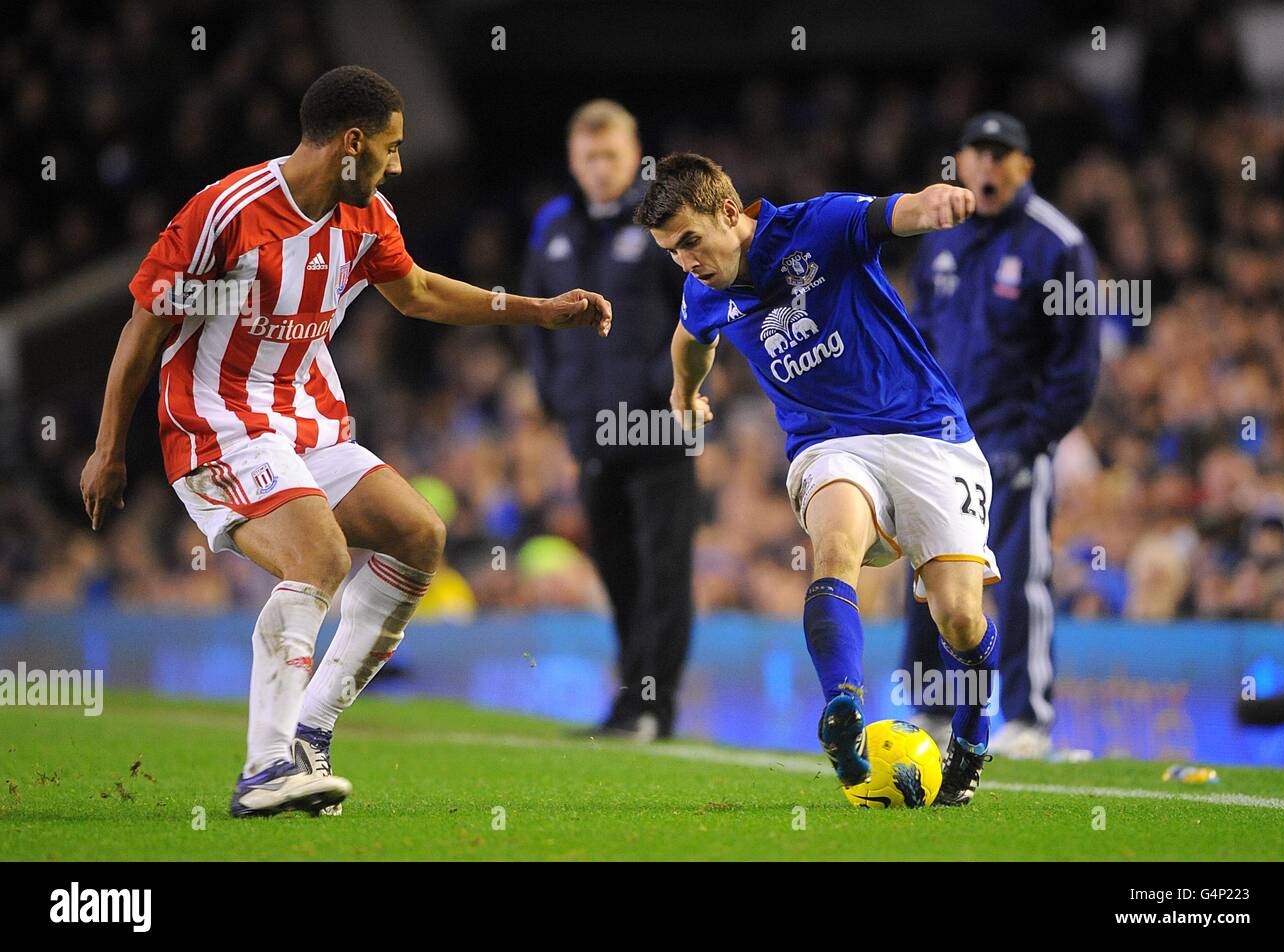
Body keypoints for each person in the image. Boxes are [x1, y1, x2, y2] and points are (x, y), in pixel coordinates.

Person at [79, 66, 611, 818]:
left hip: (306, 421)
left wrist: (535, 311)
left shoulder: (367, 217)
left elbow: (418, 292)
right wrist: (108, 448)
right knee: (319, 556)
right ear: (352, 143)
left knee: (418, 534)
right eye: (392, 148)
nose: (399, 164)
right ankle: (264, 769)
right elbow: (146, 326)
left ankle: (308, 733)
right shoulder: (228, 213)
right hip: (217, 422)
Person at [635, 153, 1000, 806]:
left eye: (690, 241)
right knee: (834, 547)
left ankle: (971, 739)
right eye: (670, 251)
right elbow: (690, 339)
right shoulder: (703, 291)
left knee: (960, 618)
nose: (685, 261)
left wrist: (933, 204)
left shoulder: (819, 225)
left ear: (728, 212)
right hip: (828, 444)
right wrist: (683, 393)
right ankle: (844, 707)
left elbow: (894, 212)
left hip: (926, 430)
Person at [902, 112, 1099, 758]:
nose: (987, 164)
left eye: (1001, 154)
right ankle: (930, 709)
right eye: (977, 153)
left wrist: (1035, 440)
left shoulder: (1058, 244)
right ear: (959, 164)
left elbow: (1078, 366)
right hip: (941, 443)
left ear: (1025, 168)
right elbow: (920, 340)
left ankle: (1027, 716)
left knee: (1017, 577)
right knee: (930, 577)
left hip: (1013, 444)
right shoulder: (941, 241)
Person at [523, 100, 695, 740]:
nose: (600, 167)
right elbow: (537, 318)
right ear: (574, 158)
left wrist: (669, 386)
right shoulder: (554, 226)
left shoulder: (665, 221)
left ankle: (657, 708)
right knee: (618, 572)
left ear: (635, 155)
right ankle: (630, 704)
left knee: (662, 572)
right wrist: (554, 398)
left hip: (659, 427)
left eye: (612, 156)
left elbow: (698, 305)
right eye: (589, 156)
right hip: (590, 431)